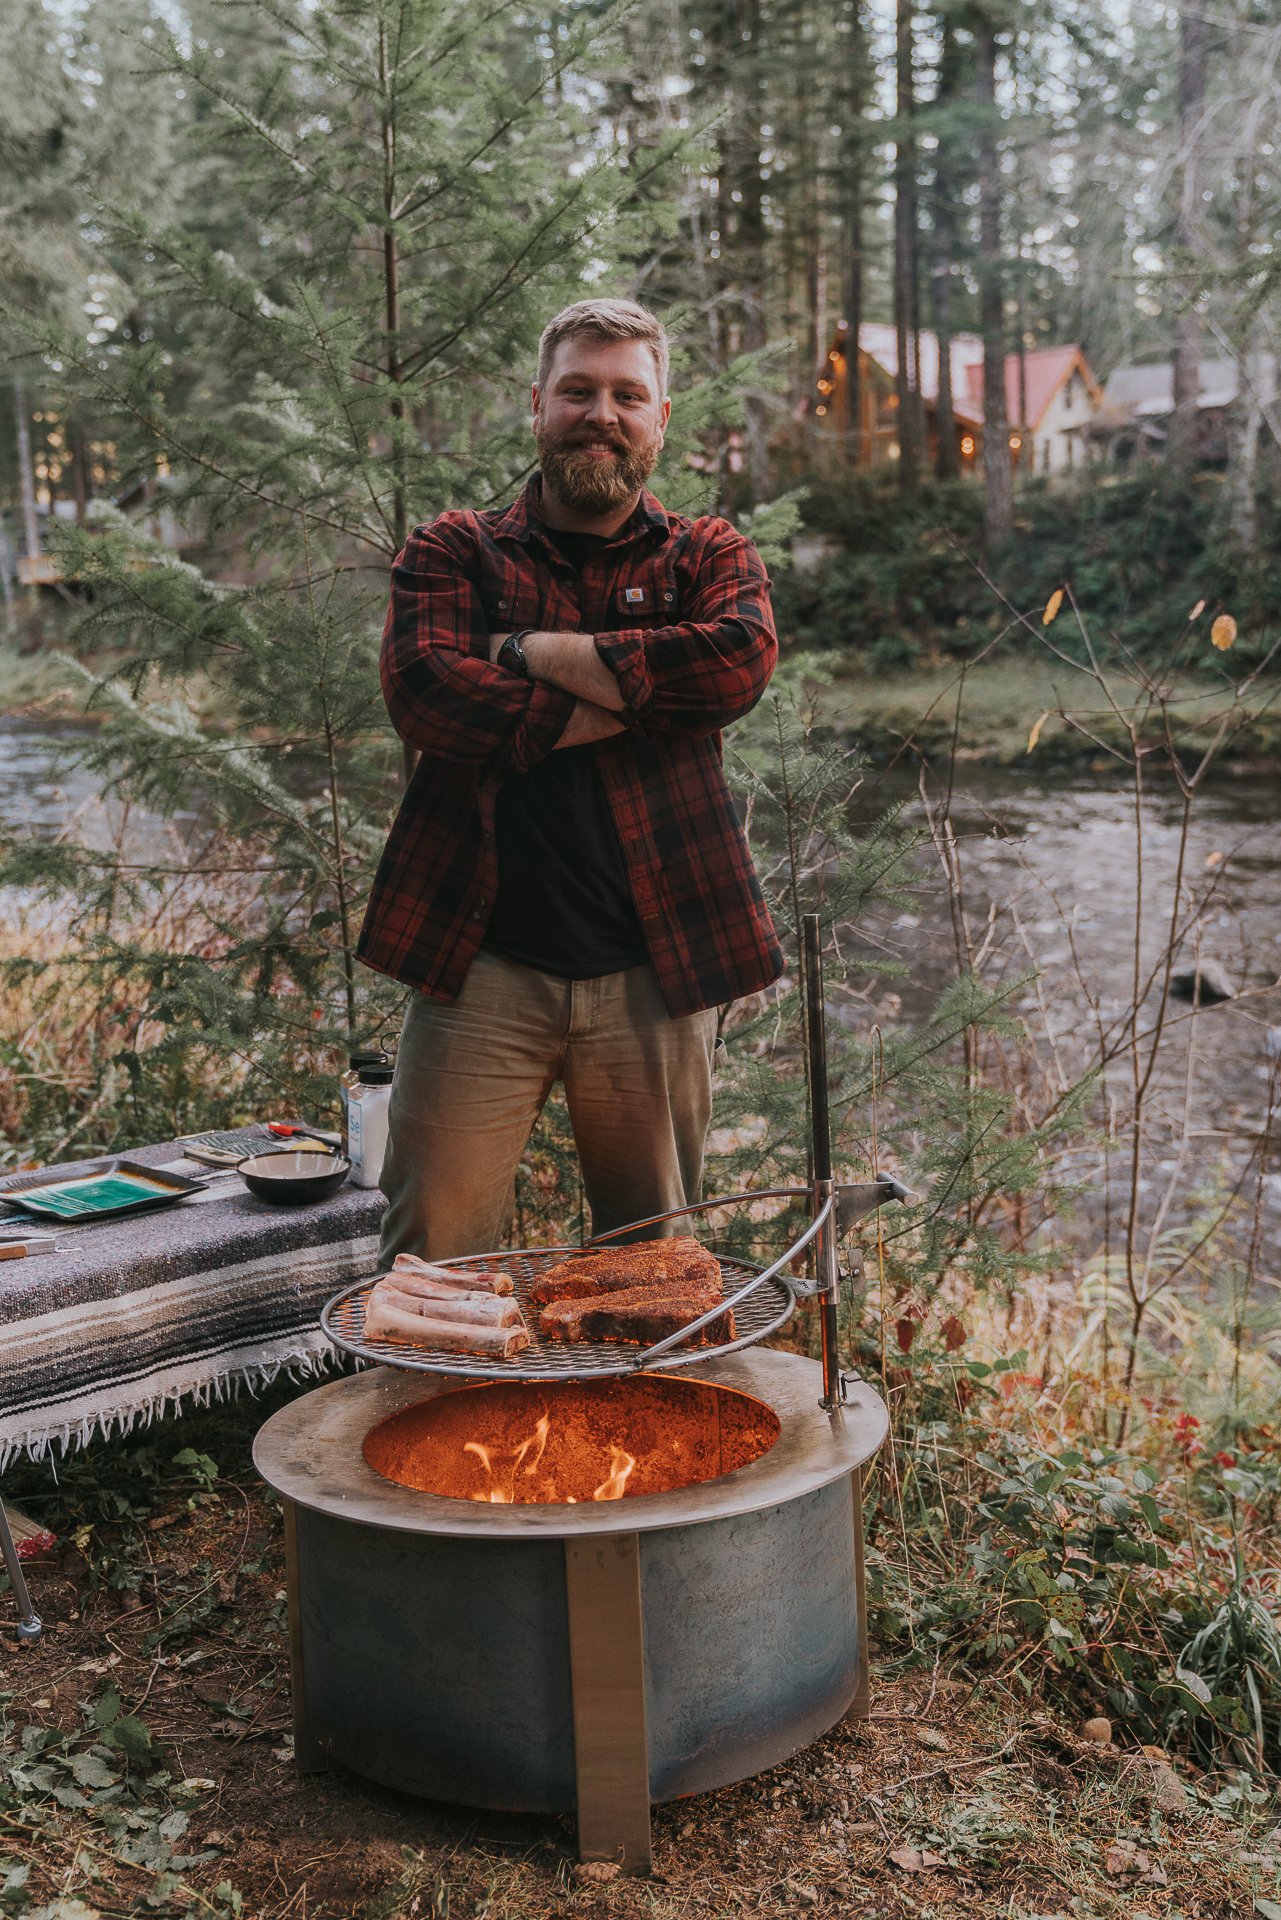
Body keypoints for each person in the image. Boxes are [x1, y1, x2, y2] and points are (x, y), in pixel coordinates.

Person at [356, 297, 783, 1262]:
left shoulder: (706, 554)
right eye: (578, 391)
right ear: (537, 405)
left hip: (655, 969)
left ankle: (627, 1415)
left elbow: (732, 667)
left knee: (653, 1262)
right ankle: (431, 1405)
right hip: (478, 968)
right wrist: (636, 699)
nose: (603, 413)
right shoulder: (453, 548)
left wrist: (522, 650)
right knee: (431, 1253)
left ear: (660, 418)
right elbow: (428, 696)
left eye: (628, 394)